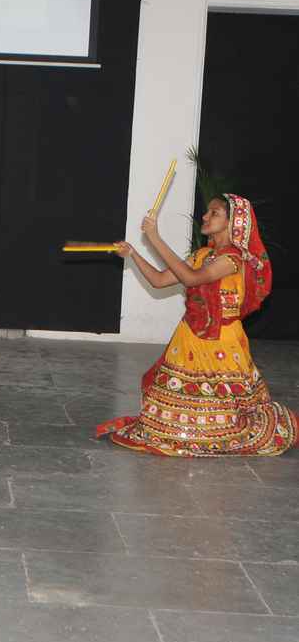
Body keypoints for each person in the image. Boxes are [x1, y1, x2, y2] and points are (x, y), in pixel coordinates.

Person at [99, 195, 297, 456]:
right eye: (207, 211)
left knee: (222, 419)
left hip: (222, 342)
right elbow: (159, 281)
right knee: (166, 423)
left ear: (232, 222)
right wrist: (133, 254)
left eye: (214, 213)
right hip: (189, 336)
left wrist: (155, 238)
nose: (205, 216)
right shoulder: (203, 255)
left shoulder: (233, 260)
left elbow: (192, 279)